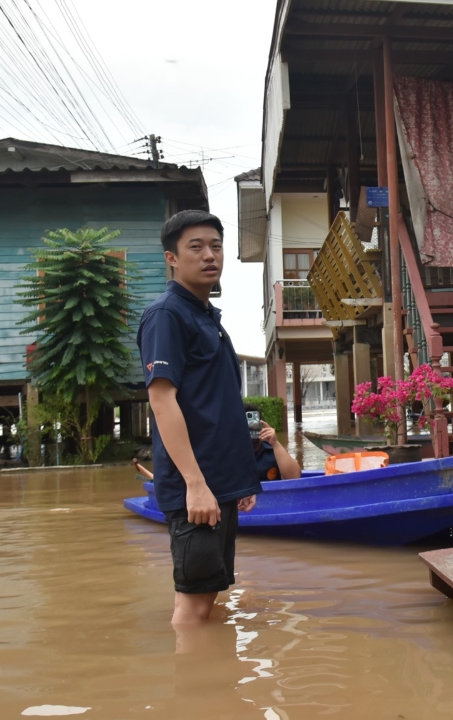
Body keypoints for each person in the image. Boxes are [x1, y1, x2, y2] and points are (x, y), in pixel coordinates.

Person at [138, 209, 260, 626]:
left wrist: (238, 481)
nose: (210, 255)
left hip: (218, 484)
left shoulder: (206, 317)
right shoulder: (167, 315)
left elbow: (216, 403)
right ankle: (191, 688)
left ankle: (214, 687)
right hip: (198, 488)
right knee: (193, 605)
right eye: (196, 247)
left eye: (216, 246)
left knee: (209, 595)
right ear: (172, 258)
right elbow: (162, 401)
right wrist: (195, 485)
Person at [246, 404, 301, 481]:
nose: (250, 430)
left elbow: (295, 477)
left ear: (260, 426)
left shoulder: (274, 451)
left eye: (253, 425)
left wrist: (275, 443)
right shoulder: (230, 454)